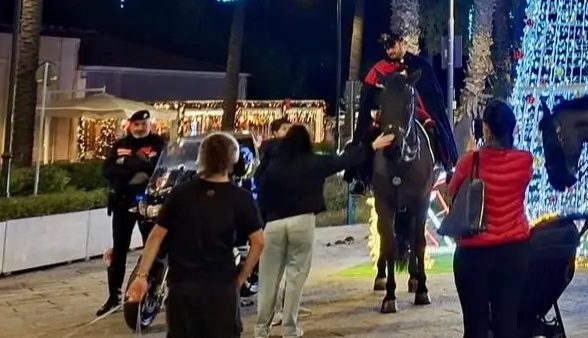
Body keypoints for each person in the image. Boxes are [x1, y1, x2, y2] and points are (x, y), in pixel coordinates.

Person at [253, 125, 392, 338]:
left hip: (273, 224)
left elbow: (259, 187)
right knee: (295, 276)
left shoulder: (272, 166)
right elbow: (342, 161)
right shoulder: (313, 162)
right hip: (302, 221)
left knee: (269, 278)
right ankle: (290, 328)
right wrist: (371, 146)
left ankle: (261, 329)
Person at [126, 132, 265, 338]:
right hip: (221, 288)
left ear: (201, 158)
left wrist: (142, 276)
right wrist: (240, 278)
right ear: (234, 161)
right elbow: (259, 242)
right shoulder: (241, 198)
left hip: (183, 287)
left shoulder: (181, 193)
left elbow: (156, 236)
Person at [447, 99, 532, 338]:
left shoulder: (469, 162)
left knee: (475, 327)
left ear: (485, 129)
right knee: (506, 325)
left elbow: (452, 191)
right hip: (513, 252)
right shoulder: (525, 161)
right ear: (512, 129)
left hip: (473, 254)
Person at [351, 33, 457, 190]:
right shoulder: (379, 69)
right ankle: (362, 178)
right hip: (387, 114)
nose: (390, 51)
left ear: (402, 43)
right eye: (387, 48)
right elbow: (369, 98)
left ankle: (446, 163)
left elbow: (430, 96)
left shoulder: (419, 66)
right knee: (369, 134)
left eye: (392, 46)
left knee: (434, 129)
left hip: (415, 111)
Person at [99, 109, 167, 315]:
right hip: (122, 204)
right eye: (136, 124)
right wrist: (135, 164)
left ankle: (150, 292)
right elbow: (107, 170)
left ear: (149, 124)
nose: (139, 128)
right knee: (119, 250)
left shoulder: (158, 144)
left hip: (148, 205)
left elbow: (157, 168)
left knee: (152, 248)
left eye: (143, 124)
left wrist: (127, 164)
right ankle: (114, 296)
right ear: (130, 125)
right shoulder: (119, 145)